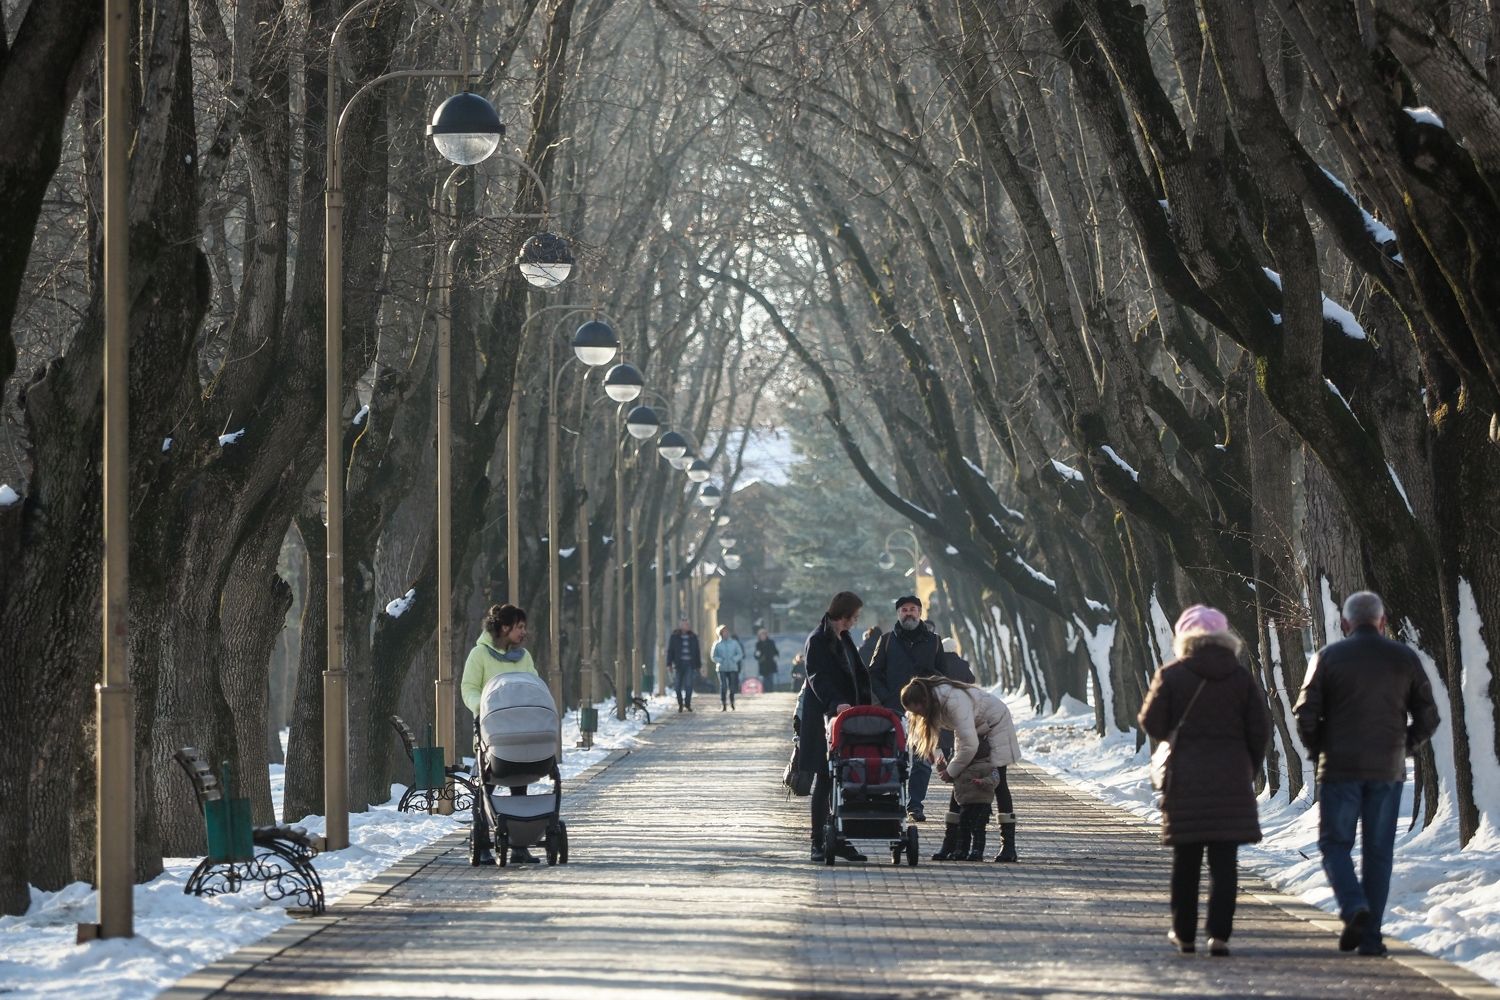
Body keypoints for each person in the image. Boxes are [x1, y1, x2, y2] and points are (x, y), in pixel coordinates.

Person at [1293, 590, 1440, 958]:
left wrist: (1317, 749)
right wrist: (1403, 746)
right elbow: (1429, 716)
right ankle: (1371, 938)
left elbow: (1305, 713)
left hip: (1339, 768)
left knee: (1334, 845)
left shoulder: (1327, 658)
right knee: (1378, 853)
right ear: (1382, 621)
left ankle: (1353, 905)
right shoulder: (1404, 658)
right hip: (1387, 770)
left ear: (1345, 624)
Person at [1139, 605, 1272, 956]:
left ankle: (1184, 934)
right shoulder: (1241, 678)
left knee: (1186, 863)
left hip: (1185, 779)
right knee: (1225, 863)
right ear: (1224, 638)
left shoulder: (1172, 675)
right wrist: (1248, 767)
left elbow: (1150, 722)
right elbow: (1259, 729)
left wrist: (1175, 732)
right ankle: (1219, 935)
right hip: (1231, 780)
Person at [900, 675, 1022, 863]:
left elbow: (970, 744)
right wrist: (936, 756)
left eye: (918, 711)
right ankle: (952, 843)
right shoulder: (931, 701)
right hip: (972, 729)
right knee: (961, 781)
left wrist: (951, 771)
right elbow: (926, 735)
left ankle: (1008, 846)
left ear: (923, 701)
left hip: (995, 725)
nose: (919, 716)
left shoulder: (954, 700)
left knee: (998, 780)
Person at [460, 603, 542, 865]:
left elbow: (534, 686)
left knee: (520, 788)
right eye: (519, 627)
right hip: (491, 735)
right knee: (485, 789)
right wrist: (481, 706)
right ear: (505, 628)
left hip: (520, 733)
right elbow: (469, 687)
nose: (524, 632)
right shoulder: (479, 655)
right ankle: (482, 843)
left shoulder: (524, 657)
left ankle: (519, 845)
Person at [795, 590, 873, 863]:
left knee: (843, 779)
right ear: (844, 614)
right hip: (824, 719)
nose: (856, 621)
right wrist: (836, 702)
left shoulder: (844, 637)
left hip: (849, 719)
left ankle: (838, 837)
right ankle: (818, 841)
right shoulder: (818, 639)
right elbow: (817, 677)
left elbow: (857, 675)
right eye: (854, 616)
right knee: (825, 780)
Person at [868, 596, 943, 821]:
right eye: (903, 610)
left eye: (912, 609)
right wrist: (886, 697)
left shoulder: (934, 641)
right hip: (894, 708)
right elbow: (874, 672)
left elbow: (943, 674)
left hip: (924, 710)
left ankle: (915, 805)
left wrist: (931, 691)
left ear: (920, 613)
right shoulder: (888, 640)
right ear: (898, 614)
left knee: (922, 760)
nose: (908, 613)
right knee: (893, 757)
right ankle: (893, 799)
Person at [666, 617, 702, 712]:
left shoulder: (693, 637)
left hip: (690, 664)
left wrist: (698, 666)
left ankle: (687, 703)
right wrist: (669, 664)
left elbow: (697, 652)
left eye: (688, 624)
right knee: (677, 686)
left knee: (689, 685)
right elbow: (670, 651)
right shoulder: (674, 637)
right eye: (684, 624)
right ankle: (680, 704)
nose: (687, 626)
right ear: (680, 626)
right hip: (678, 665)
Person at [710, 625, 745, 711]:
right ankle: (723, 704)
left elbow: (740, 654)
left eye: (727, 631)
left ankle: (732, 702)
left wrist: (734, 659)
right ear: (720, 633)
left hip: (733, 668)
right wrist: (720, 660)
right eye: (723, 632)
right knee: (723, 686)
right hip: (721, 668)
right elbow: (713, 656)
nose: (726, 633)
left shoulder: (734, 643)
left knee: (732, 686)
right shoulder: (717, 644)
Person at [754, 628, 780, 693]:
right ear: (759, 636)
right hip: (763, 664)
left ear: (766, 635)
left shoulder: (771, 642)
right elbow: (756, 654)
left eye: (764, 635)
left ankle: (770, 692)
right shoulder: (758, 644)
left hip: (771, 664)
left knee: (770, 679)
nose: (762, 636)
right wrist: (757, 655)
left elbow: (775, 651)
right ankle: (765, 691)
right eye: (761, 635)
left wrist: (776, 656)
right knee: (764, 680)